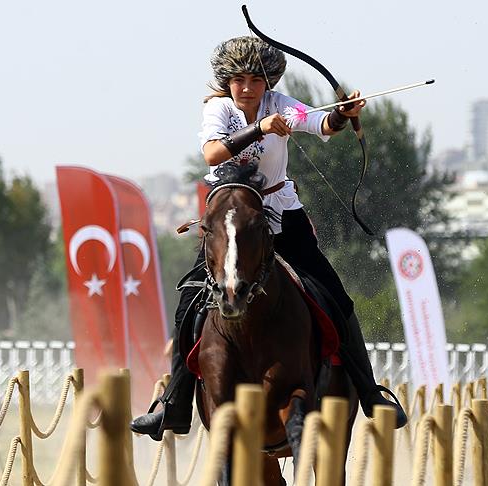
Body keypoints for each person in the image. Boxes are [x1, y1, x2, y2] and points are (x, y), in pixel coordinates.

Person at [131, 36, 407, 441]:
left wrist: (342, 115)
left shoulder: (281, 105)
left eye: (255, 80)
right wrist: (259, 128)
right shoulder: (218, 109)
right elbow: (212, 154)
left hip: (282, 216)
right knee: (189, 304)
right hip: (230, 221)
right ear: (227, 82)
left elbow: (319, 123)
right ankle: (174, 404)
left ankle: (369, 392)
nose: (247, 88)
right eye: (238, 80)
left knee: (336, 296)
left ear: (269, 82)